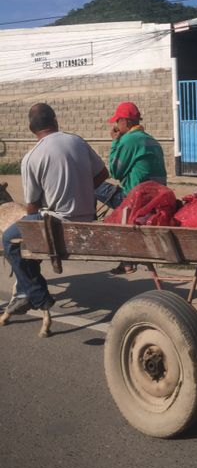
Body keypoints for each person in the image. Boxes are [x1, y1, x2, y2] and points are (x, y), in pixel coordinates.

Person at [2, 104, 108, 316]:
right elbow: (103, 173)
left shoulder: (31, 157)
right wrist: (82, 189)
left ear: (31, 128)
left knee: (8, 239)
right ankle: (27, 292)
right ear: (56, 121)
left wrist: (47, 201)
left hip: (57, 224)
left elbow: (32, 207)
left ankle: (34, 294)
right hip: (88, 218)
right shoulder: (77, 141)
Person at [95, 101, 167, 274]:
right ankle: (126, 262)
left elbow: (115, 172)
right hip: (155, 197)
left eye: (117, 121)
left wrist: (115, 142)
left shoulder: (128, 140)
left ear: (125, 122)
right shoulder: (151, 139)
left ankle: (87, 222)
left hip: (136, 199)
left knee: (93, 186)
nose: (115, 125)